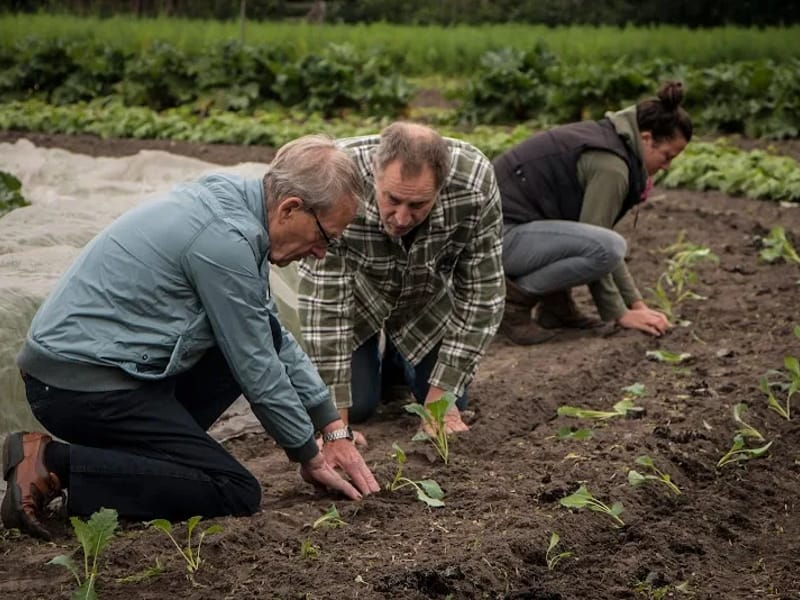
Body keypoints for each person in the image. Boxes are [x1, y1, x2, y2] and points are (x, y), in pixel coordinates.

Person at [2, 135, 380, 541]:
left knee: (243, 346)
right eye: (324, 237)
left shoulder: (236, 206)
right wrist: (308, 454)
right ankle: (52, 461)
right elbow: (257, 367)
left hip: (113, 370)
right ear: (290, 208)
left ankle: (144, 461)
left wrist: (330, 427)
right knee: (234, 489)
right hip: (78, 386)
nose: (321, 252)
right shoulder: (224, 241)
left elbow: (271, 336)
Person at [291, 122, 505, 435]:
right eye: (392, 200)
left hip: (424, 299)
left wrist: (439, 404)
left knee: (450, 403)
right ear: (374, 173)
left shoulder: (475, 184)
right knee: (359, 407)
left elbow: (482, 294)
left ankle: (398, 359)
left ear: (441, 186)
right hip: (358, 299)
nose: (403, 218)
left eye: (418, 204)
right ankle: (377, 364)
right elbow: (326, 306)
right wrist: (335, 428)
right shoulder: (336, 181)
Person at [492, 80, 692, 345]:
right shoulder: (612, 167)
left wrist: (636, 304)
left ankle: (557, 307)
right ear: (646, 138)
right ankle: (513, 303)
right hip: (494, 240)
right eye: (667, 156)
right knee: (607, 247)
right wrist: (621, 313)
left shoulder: (610, 139)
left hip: (506, 234)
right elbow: (600, 246)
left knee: (598, 242)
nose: (666, 166)